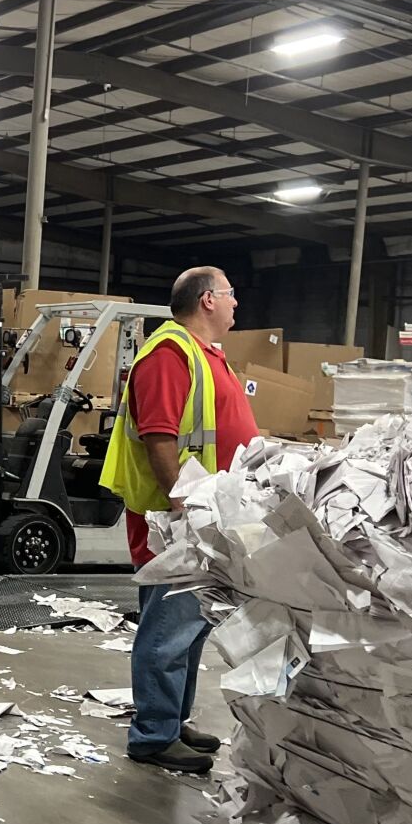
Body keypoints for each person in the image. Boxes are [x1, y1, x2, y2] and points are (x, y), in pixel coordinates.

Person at [98, 265, 258, 774]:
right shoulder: (170, 353)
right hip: (180, 517)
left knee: (192, 626)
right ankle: (152, 735)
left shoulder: (210, 356)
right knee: (168, 627)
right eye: (231, 295)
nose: (237, 304)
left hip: (207, 514)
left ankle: (173, 719)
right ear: (208, 300)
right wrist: (182, 505)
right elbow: (159, 435)